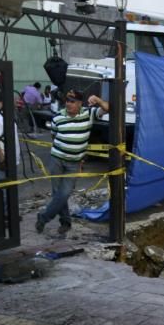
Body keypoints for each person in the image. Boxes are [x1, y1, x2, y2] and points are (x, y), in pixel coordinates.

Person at [36, 90, 109, 235]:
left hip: (74, 163)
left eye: (72, 101)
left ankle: (43, 217)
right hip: (57, 160)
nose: (68, 104)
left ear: (80, 103)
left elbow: (107, 108)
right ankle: (65, 223)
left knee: (64, 194)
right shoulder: (57, 117)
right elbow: (54, 135)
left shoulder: (88, 114)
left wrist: (97, 99)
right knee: (58, 194)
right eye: (67, 100)